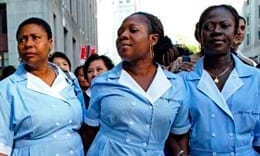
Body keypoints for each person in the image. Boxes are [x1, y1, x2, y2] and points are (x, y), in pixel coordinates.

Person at [84, 11, 190, 156]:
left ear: (153, 39)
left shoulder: (175, 84)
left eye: (133, 30)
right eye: (120, 32)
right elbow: (90, 131)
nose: (123, 36)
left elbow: (180, 133)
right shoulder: (102, 82)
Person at [180, 4, 260, 155]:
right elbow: (177, 133)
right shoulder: (183, 81)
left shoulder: (255, 79)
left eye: (224, 26)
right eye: (209, 27)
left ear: (236, 33)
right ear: (199, 33)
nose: (216, 31)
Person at [0, 17, 85, 156]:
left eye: (35, 37)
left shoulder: (68, 79)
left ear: (50, 43)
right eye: (22, 40)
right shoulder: (7, 89)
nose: (28, 44)